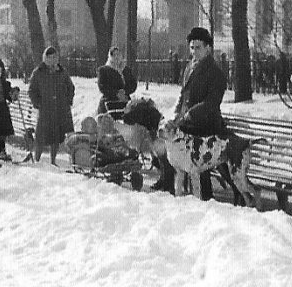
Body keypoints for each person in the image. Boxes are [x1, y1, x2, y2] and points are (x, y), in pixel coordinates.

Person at [154, 27, 227, 199]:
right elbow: (183, 94)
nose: (194, 52)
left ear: (208, 48)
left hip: (206, 125)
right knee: (168, 145)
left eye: (198, 47)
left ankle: (205, 198)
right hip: (189, 123)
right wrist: (177, 113)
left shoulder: (215, 72)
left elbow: (212, 102)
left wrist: (190, 114)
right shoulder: (190, 67)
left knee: (198, 158)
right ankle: (172, 190)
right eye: (192, 47)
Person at [28, 46, 75, 166]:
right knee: (41, 136)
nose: (53, 60)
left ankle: (53, 161)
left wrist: (68, 101)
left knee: (56, 136)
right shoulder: (38, 72)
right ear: (45, 58)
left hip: (59, 108)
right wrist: (38, 103)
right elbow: (32, 90)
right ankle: (37, 159)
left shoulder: (62, 72)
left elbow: (70, 87)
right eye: (50, 57)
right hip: (45, 109)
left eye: (55, 57)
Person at [96, 45, 136, 116]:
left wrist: (125, 92)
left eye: (118, 54)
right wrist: (116, 93)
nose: (117, 57)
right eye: (114, 55)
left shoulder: (126, 70)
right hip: (109, 100)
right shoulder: (104, 70)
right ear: (110, 57)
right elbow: (102, 87)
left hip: (125, 100)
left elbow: (133, 84)